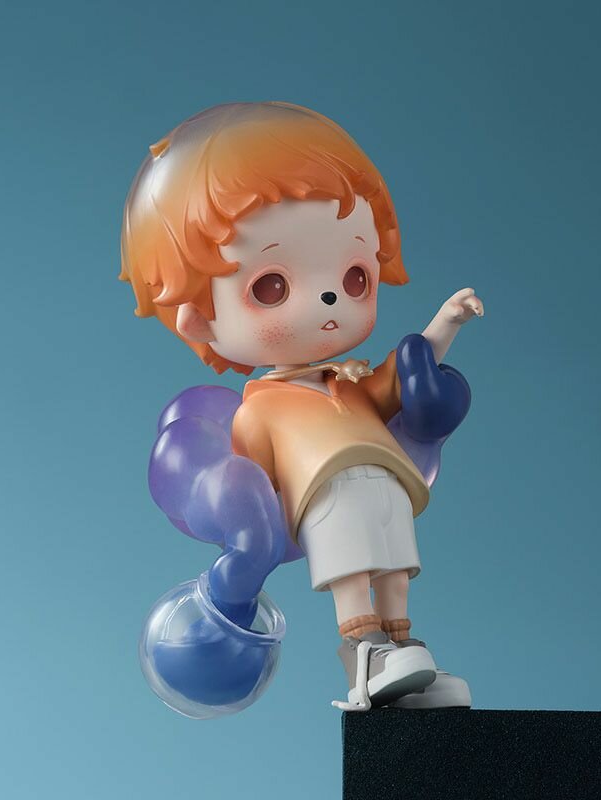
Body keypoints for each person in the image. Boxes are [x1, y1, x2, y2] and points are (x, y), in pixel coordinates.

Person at [121, 101, 483, 710]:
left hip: (386, 481)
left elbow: (406, 374)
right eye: (273, 286)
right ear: (200, 318)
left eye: (354, 276)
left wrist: (446, 322)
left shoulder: (352, 382)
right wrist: (250, 546)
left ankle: (403, 650)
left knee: (395, 567)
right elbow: (259, 486)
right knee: (353, 568)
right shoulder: (262, 407)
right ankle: (363, 652)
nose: (328, 299)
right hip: (325, 495)